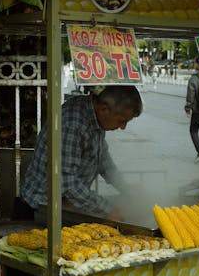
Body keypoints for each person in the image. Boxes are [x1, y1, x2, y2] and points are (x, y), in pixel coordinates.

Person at [19, 85, 142, 221]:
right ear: (104, 109)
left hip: (67, 205)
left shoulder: (94, 116)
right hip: (40, 210)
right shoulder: (72, 124)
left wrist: (126, 188)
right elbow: (67, 183)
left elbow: (103, 161)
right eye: (121, 121)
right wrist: (107, 209)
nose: (123, 127)